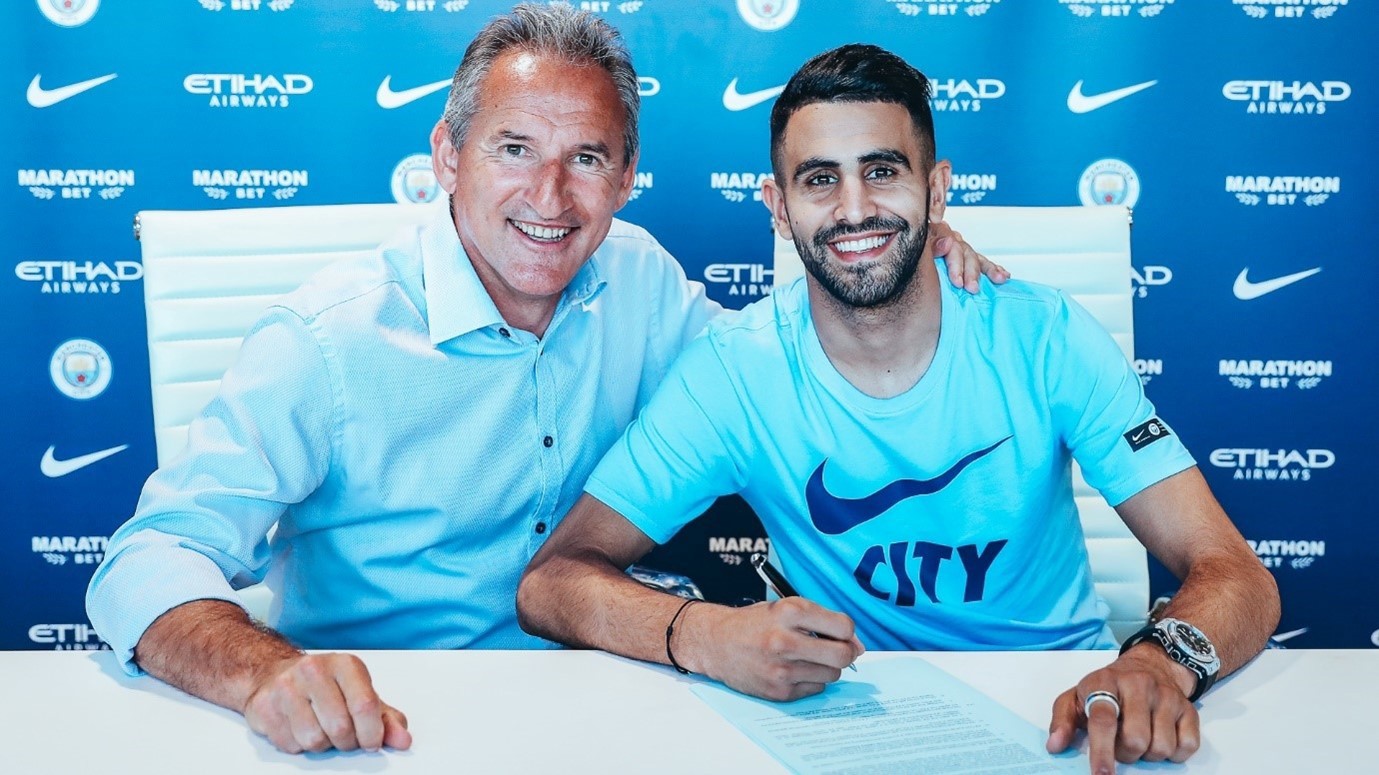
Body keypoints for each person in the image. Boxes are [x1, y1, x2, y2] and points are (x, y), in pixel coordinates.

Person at [85, 6, 1002, 757]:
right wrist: (266, 675)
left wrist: (893, 258)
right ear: (448, 155)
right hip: (383, 725)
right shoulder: (324, 339)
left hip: (604, 708)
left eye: (587, 159)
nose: (550, 196)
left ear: (626, 176)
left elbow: (785, 376)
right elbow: (145, 559)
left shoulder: (640, 281)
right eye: (514, 149)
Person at [516, 43, 1280, 773]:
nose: (854, 210)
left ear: (936, 190)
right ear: (778, 207)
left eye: (881, 171)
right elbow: (552, 581)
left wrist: (1157, 662)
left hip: (1059, 711)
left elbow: (1235, 573)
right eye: (819, 180)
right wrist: (703, 634)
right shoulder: (733, 371)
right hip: (847, 718)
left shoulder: (1045, 335)